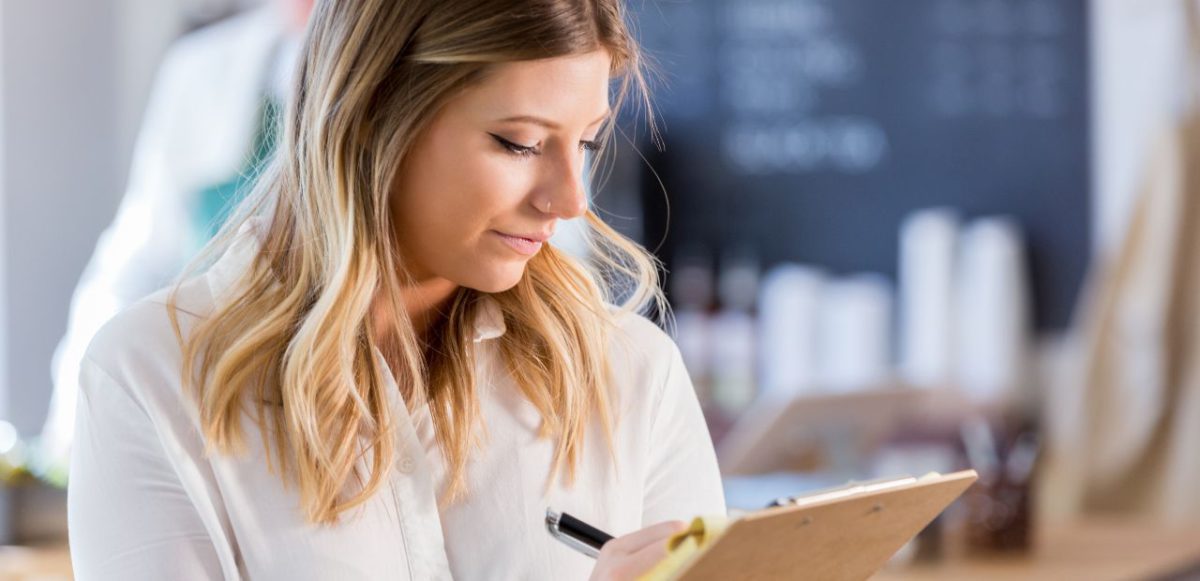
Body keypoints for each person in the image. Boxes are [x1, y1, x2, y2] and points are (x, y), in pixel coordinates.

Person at [67, 0, 726, 579]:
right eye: (519, 143)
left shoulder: (633, 374)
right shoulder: (154, 377)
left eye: (585, 141)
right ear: (374, 114)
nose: (570, 199)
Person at [37, 0, 315, 483]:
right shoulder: (204, 70)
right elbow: (139, 257)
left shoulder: (397, 66)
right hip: (204, 399)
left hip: (314, 395)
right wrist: (74, 419)